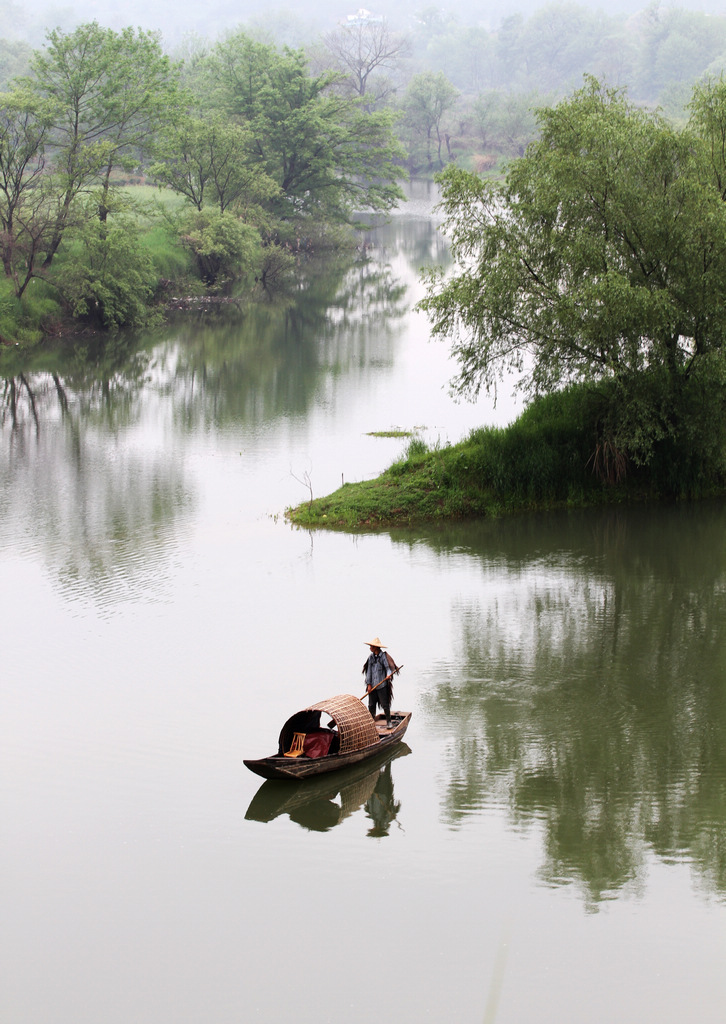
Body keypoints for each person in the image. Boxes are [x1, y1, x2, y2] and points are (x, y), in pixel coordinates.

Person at [362, 637, 400, 729]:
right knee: (371, 705)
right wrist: (369, 684)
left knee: (385, 705)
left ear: (376, 647)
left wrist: (388, 675)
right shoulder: (371, 657)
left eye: (371, 646)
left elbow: (387, 668)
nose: (370, 648)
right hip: (373, 686)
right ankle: (371, 724)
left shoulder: (383, 656)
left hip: (381, 686)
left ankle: (389, 722)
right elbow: (369, 672)